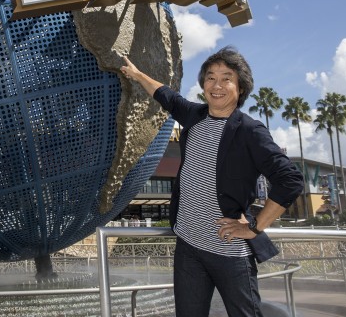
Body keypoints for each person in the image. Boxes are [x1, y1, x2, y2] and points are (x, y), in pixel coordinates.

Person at [120, 46, 304, 317]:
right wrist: (136, 74)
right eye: (210, 77)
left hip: (229, 251)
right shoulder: (194, 116)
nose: (217, 85)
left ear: (240, 87)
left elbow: (290, 179)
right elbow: (166, 95)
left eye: (226, 78)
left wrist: (255, 226)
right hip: (188, 246)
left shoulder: (249, 131)